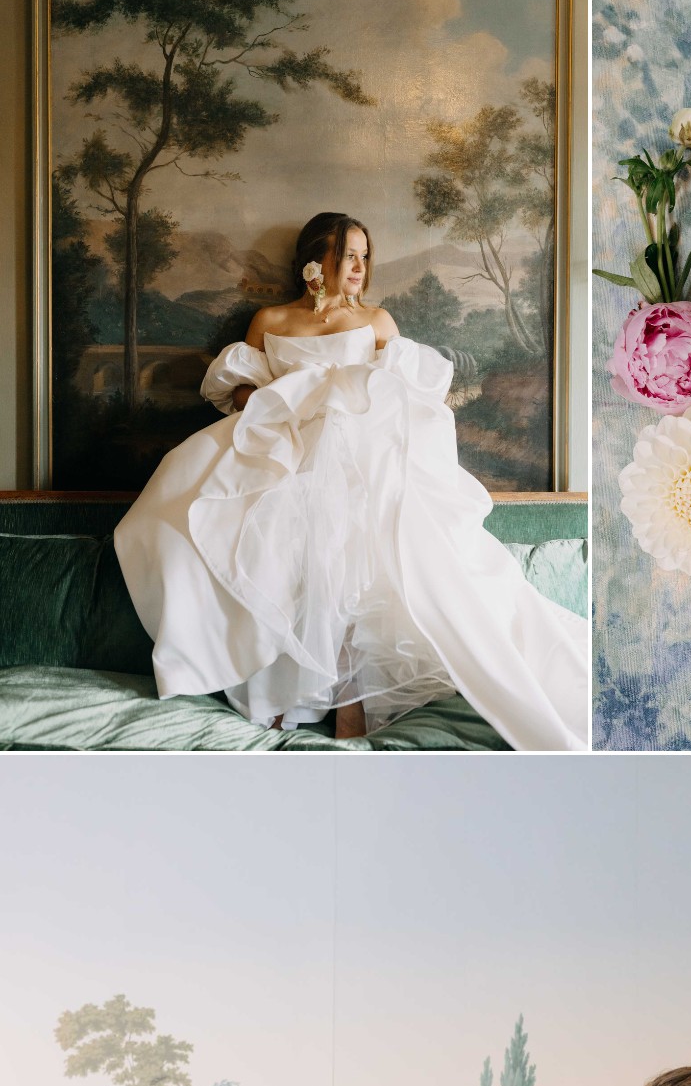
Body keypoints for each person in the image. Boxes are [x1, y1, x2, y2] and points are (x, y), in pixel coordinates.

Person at [114, 213, 587, 749]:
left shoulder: (378, 322)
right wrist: (292, 397)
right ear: (317, 260)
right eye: (348, 255)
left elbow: (404, 401)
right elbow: (241, 395)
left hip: (362, 463)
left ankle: (353, 705)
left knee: (357, 558)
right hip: (288, 455)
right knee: (242, 537)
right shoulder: (270, 320)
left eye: (365, 255)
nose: (360, 267)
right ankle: (277, 696)